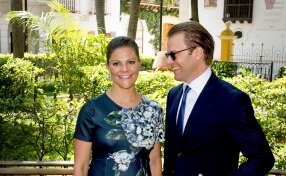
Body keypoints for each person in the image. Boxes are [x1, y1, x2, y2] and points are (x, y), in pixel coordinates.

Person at [163, 21, 275, 176]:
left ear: (197, 52)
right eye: (168, 55)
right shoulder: (174, 95)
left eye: (173, 55)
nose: (169, 61)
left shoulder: (231, 100)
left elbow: (262, 158)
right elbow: (173, 153)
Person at [73, 36, 165, 176]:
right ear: (107, 66)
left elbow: (155, 161)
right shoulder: (92, 110)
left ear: (139, 63)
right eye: (116, 64)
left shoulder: (153, 110)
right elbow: (81, 167)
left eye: (131, 62)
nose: (124, 69)